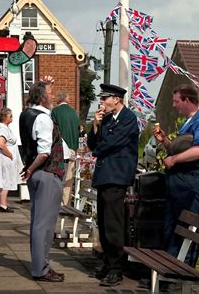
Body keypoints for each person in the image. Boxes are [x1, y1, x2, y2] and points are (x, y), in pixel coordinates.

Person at [152, 83, 199, 267]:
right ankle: (170, 269)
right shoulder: (188, 123)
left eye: (176, 101)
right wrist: (165, 141)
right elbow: (180, 148)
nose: (174, 105)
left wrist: (174, 160)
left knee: (186, 230)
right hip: (177, 184)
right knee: (172, 229)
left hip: (189, 183)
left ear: (188, 100)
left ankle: (183, 273)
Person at [87, 84, 139, 287]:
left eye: (105, 98)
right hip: (104, 177)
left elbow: (111, 144)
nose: (102, 102)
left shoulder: (128, 119)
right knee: (104, 222)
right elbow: (94, 143)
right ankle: (108, 263)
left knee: (114, 225)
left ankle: (117, 269)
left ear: (116, 99)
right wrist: (95, 126)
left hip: (117, 177)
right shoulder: (106, 119)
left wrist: (98, 148)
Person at [19, 77, 65, 283]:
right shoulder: (44, 119)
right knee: (44, 225)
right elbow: (44, 153)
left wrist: (29, 169)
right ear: (42, 96)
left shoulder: (25, 114)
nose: (53, 96)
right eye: (50, 92)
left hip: (36, 174)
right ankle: (41, 269)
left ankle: (41, 265)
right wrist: (31, 169)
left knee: (38, 222)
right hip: (46, 173)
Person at [51, 92, 80, 206]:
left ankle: (55, 203)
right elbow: (77, 131)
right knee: (69, 178)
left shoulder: (55, 111)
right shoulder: (74, 113)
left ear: (58, 100)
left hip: (58, 149)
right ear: (67, 100)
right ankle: (65, 203)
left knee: (56, 176)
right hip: (72, 147)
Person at [0, 108, 23, 213]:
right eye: (10, 116)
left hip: (6, 158)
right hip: (5, 158)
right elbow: (1, 144)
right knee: (6, 181)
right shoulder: (2, 128)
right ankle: (3, 205)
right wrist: (10, 155)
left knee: (7, 179)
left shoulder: (3, 127)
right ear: (4, 117)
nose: (12, 118)